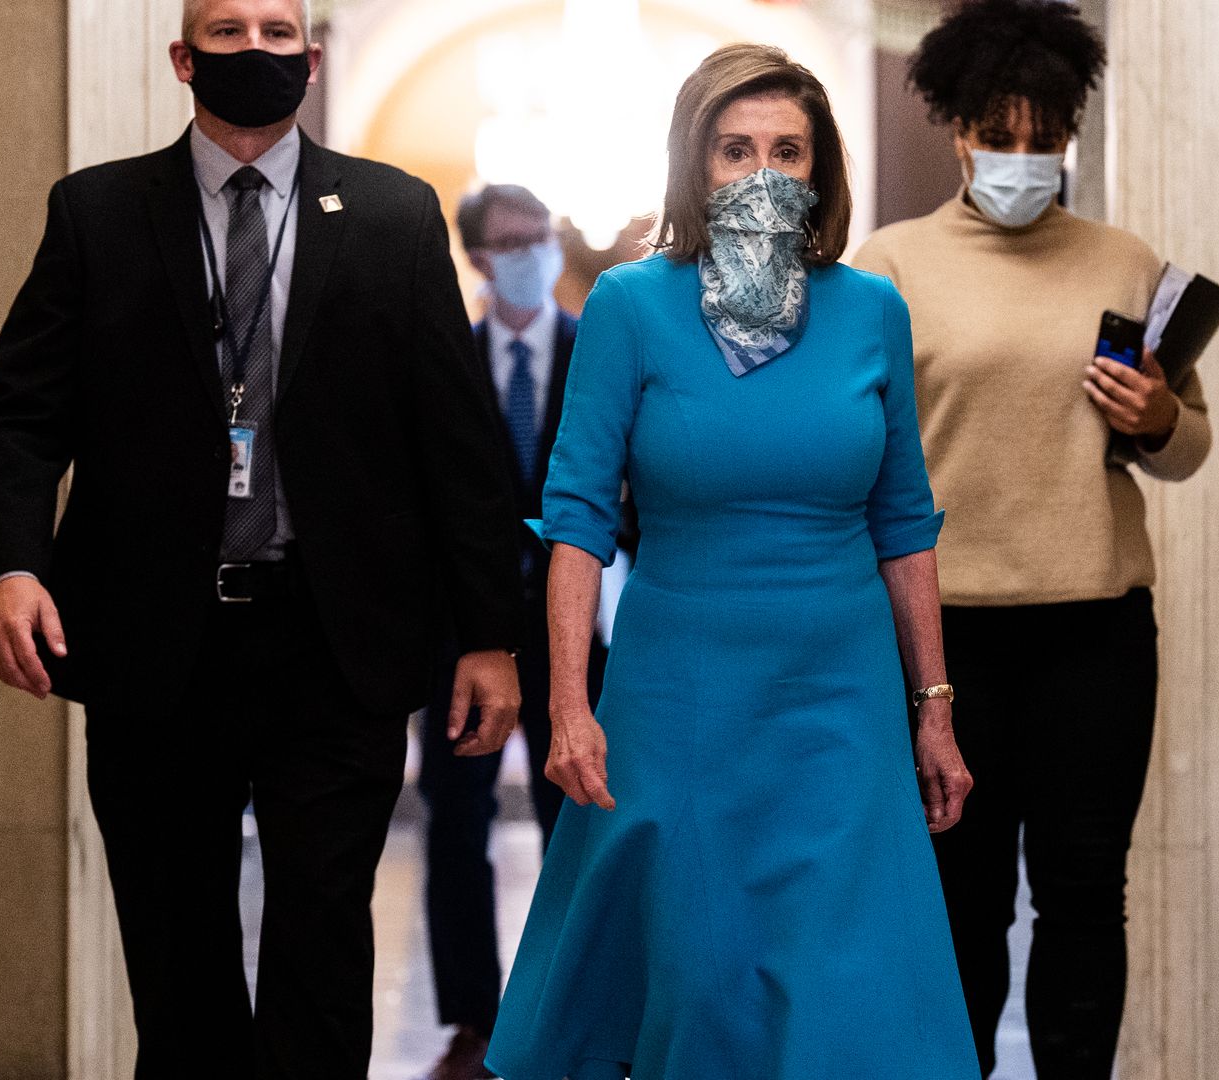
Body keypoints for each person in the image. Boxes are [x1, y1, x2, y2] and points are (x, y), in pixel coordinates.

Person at [0, 1, 528, 1076]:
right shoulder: (98, 213)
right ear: (183, 57)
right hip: (150, 644)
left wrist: (487, 635)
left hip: (334, 645)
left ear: (311, 63)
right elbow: (21, 418)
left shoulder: (391, 214)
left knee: (321, 951)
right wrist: (13, 565)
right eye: (228, 32)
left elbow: (454, 447)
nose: (256, 52)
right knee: (178, 967)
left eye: (279, 33)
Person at [484, 44, 980, 1079]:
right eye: (735, 148)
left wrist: (932, 707)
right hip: (681, 694)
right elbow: (574, 515)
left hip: (840, 701)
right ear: (694, 168)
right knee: (702, 986)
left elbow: (904, 519)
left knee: (845, 987)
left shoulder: (872, 311)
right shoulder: (629, 305)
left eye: (788, 150)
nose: (762, 171)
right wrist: (570, 705)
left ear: (819, 172)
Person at [852, 2, 1212, 1075]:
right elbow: (858, 460)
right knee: (961, 911)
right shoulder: (890, 266)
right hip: (944, 642)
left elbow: (1183, 446)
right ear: (958, 131)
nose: (1022, 157)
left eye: (1043, 136)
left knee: (1085, 895)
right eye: (998, 135)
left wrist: (1157, 417)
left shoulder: (1124, 260)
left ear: (1070, 133)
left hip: (1096, 633)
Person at [415, 184, 604, 1080]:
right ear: (480, 257)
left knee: (584, 815)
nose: (534, 250)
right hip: (466, 629)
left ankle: (576, 1008)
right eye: (513, 240)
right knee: (457, 823)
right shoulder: (446, 353)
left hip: (579, 626)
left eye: (543, 236)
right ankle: (473, 1023)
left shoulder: (594, 347)